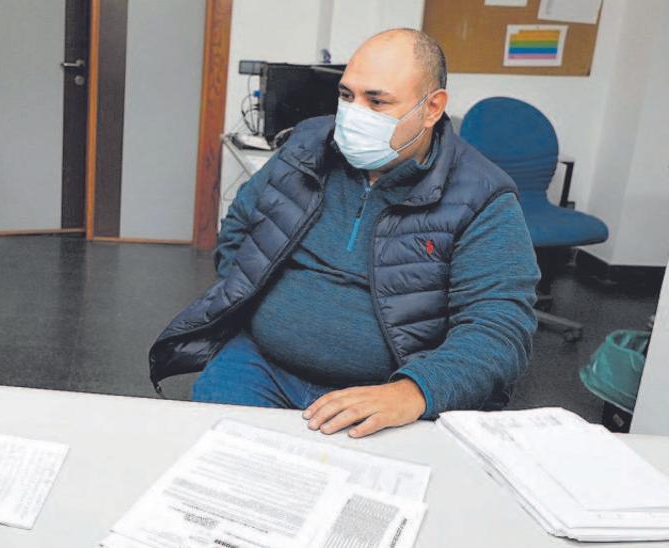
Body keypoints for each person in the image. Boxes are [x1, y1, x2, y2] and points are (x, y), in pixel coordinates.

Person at [149, 29, 540, 438]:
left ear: (432, 108)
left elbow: (499, 326)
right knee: (216, 467)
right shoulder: (306, 147)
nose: (354, 115)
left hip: (385, 389)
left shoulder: (481, 196)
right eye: (347, 96)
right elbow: (240, 225)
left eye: (377, 101)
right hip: (261, 365)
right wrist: (251, 300)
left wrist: (414, 392)